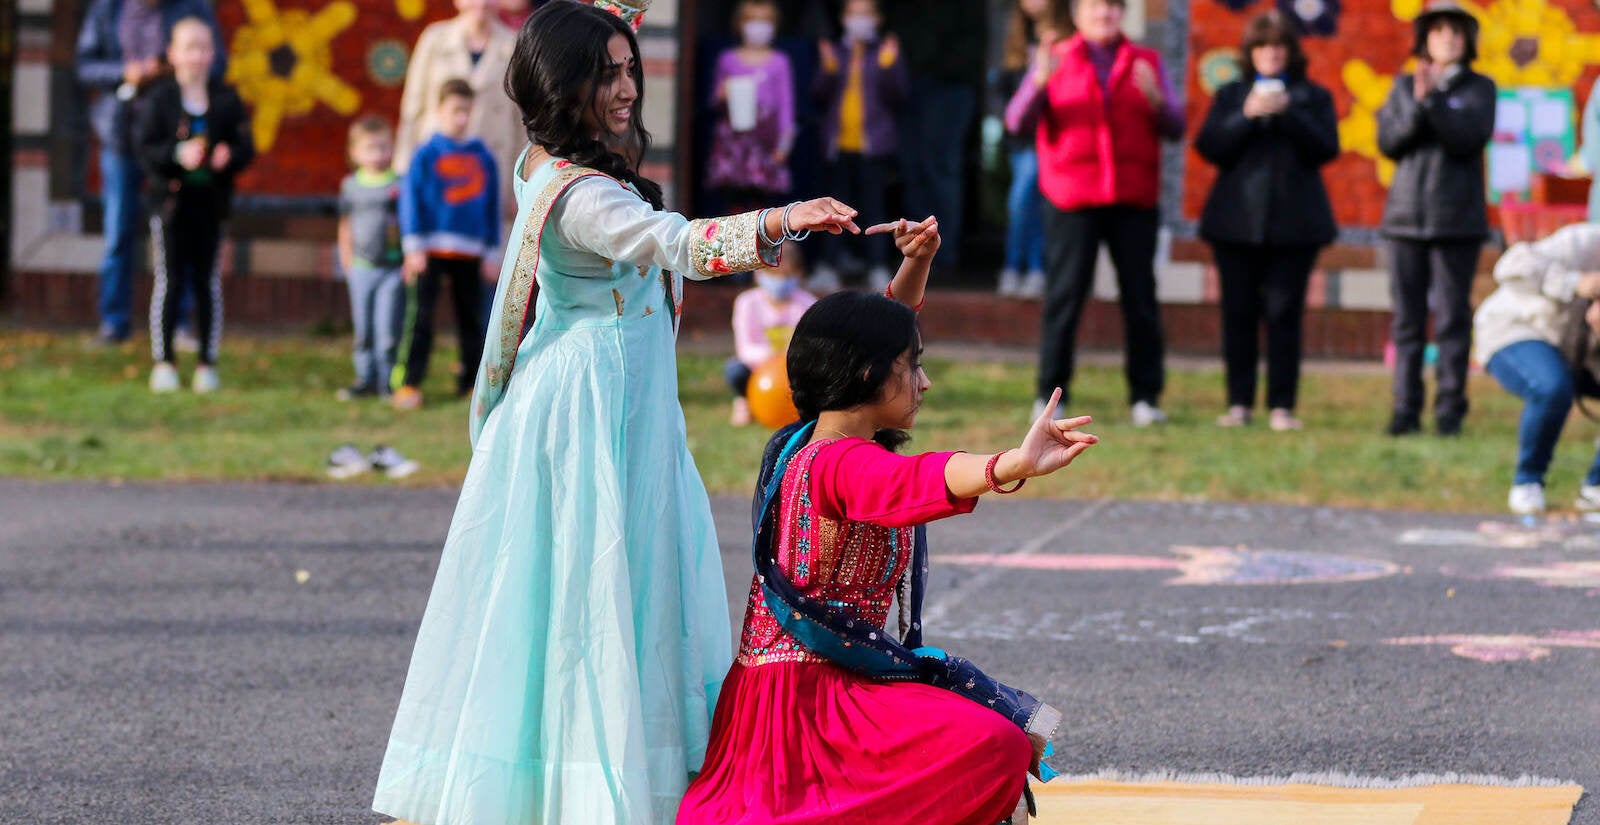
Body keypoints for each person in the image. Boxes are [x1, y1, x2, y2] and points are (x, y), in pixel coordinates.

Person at [370, 3, 864, 823]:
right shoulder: (578, 193)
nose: (627, 85)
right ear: (563, 84)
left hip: (626, 399)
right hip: (589, 411)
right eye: (607, 71)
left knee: (626, 585)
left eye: (630, 67)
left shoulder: (551, 163)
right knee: (587, 594)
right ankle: (584, 792)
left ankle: (625, 778)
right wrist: (778, 219)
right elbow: (672, 243)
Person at [678, 218, 1087, 825]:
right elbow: (915, 481)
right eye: (911, 365)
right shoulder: (842, 465)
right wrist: (1012, 463)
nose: (924, 380)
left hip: (818, 692)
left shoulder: (804, 440)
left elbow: (870, 330)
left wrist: (914, 265)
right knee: (996, 746)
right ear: (867, 376)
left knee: (990, 732)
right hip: (808, 715)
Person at [1005, 0, 1185, 427]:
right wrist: (1039, 81)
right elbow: (1016, 122)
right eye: (1094, 8)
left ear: (1122, 14)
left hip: (1133, 197)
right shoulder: (1056, 57)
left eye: (1111, 8)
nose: (1103, 15)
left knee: (1141, 299)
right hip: (1072, 198)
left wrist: (1157, 99)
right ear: (1078, 15)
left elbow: (1176, 126)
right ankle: (1050, 397)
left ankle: (1145, 397)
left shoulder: (1147, 61)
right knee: (1064, 299)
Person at [1194, 11, 1338, 432]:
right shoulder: (1231, 94)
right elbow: (1210, 146)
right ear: (1250, 53)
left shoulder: (1313, 97)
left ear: (1291, 53)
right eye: (1262, 46)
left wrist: (1289, 113)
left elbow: (1325, 148)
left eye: (1278, 46)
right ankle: (1238, 403)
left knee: (1284, 314)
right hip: (1235, 226)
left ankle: (1281, 406)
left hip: (1295, 228)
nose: (1271, 54)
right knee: (1237, 314)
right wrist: (1247, 115)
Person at [1376, 0, 1495, 437]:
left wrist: (1434, 105)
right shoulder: (1404, 87)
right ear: (1424, 40)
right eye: (1439, 31)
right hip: (1406, 219)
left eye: (1457, 32)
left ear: (1467, 42)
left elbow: (1468, 138)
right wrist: (1418, 103)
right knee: (1407, 321)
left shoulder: (1479, 89)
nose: (1448, 38)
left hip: (1456, 222)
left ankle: (1449, 413)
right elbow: (1390, 141)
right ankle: (1404, 411)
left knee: (1451, 319)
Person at [75, 0, 222, 346]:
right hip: (121, 137)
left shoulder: (192, 8)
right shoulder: (107, 10)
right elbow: (84, 66)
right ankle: (114, 324)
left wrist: (177, 66)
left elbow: (218, 65)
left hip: (175, 138)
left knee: (181, 230)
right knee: (118, 232)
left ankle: (181, 323)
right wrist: (124, 73)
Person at [132, 17, 253, 394]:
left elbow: (247, 148)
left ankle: (206, 363)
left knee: (207, 283)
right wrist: (176, 154)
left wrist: (227, 156)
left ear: (212, 54)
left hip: (211, 206)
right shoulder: (160, 100)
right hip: (171, 206)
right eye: (189, 47)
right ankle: (164, 362)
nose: (196, 55)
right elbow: (146, 149)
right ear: (173, 53)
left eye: (203, 48)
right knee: (170, 280)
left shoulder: (226, 99)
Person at [1473, 223, 1600, 514]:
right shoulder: (1585, 241)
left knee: (1559, 379)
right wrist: (1576, 283)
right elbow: (1510, 265)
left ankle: (1596, 486)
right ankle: (1527, 481)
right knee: (1553, 387)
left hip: (1576, 356)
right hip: (1517, 331)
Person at [394, 79, 500, 410]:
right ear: (440, 111)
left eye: (467, 111)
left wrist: (492, 251)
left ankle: (471, 383)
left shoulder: (483, 156)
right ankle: (409, 383)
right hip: (429, 250)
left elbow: (491, 205)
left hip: (470, 251)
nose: (462, 118)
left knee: (472, 319)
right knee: (420, 318)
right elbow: (410, 201)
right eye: (456, 110)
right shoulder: (426, 153)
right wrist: (412, 247)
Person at [395, 0, 522, 226]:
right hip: (438, 161)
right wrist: (404, 169)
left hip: (491, 167)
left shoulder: (514, 44)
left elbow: (522, 120)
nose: (481, 3)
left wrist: (521, 184)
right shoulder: (434, 39)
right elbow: (413, 108)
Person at [881, 0, 987, 271]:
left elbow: (972, 48)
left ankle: (943, 252)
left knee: (939, 168)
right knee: (912, 168)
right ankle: (914, 249)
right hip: (909, 86)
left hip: (950, 87)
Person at [810, 0, 907, 292]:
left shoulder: (884, 51)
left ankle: (878, 266)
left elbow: (899, 95)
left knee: (875, 207)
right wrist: (828, 69)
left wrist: (889, 67)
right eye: (854, 13)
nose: (859, 20)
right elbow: (817, 95)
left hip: (872, 148)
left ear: (877, 18)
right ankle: (829, 265)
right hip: (838, 146)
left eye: (866, 14)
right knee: (833, 210)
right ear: (843, 18)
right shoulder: (836, 51)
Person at [995, 0, 1063, 300]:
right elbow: (1009, 106)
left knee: (1033, 204)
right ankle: (1018, 267)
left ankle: (1034, 268)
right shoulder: (1016, 40)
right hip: (1023, 141)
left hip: (1054, 138)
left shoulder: (1067, 38)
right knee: (1022, 202)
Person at [336, 116, 406, 402]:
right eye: (370, 148)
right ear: (354, 152)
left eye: (383, 147)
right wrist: (346, 258)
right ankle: (365, 377)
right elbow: (344, 224)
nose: (378, 155)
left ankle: (388, 380)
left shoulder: (400, 184)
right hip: (361, 268)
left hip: (392, 268)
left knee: (388, 328)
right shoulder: (350, 186)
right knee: (363, 327)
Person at [705, 0, 796, 217]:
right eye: (751, 20)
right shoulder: (727, 60)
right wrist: (721, 95)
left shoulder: (779, 62)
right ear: (740, 24)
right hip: (733, 142)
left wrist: (784, 145)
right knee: (733, 200)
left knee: (761, 201)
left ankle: (758, 244)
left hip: (765, 141)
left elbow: (786, 107)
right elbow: (714, 103)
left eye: (764, 21)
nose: (758, 26)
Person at [727, 250, 817, 426]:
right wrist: (771, 356)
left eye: (787, 275)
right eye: (774, 274)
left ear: (798, 274)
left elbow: (812, 345)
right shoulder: (747, 302)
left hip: (793, 369)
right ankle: (745, 401)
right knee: (735, 370)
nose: (780, 281)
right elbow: (745, 347)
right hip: (757, 367)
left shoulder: (807, 304)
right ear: (759, 274)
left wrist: (789, 359)